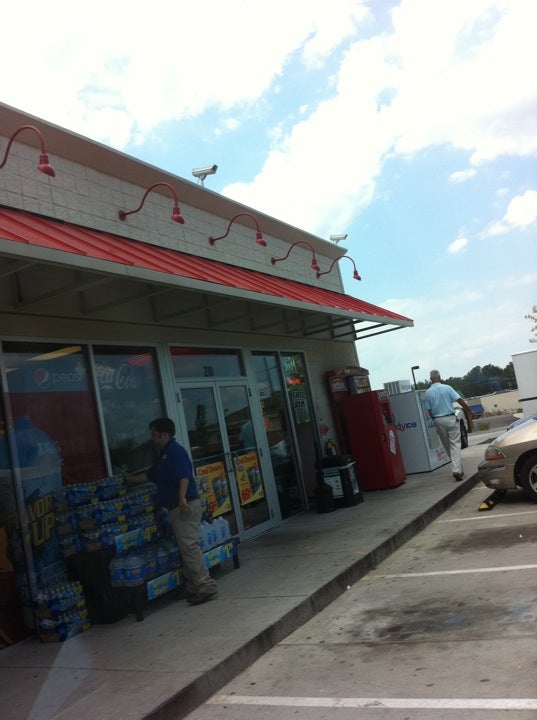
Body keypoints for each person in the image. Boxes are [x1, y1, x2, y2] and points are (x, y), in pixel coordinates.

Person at [131, 417, 217, 605]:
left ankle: (205, 586)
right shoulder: (163, 456)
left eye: (154, 434)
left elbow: (184, 477)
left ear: (164, 435)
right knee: (185, 548)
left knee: (190, 547)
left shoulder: (175, 452)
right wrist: (129, 480)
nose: (152, 438)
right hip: (176, 508)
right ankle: (192, 586)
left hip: (184, 506)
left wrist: (182, 499)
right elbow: (150, 475)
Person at [423, 370, 474, 482]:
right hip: (450, 418)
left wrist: (435, 420)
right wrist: (469, 410)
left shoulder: (428, 393)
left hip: (438, 420)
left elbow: (429, 411)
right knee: (455, 444)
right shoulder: (447, 388)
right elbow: (460, 400)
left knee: (447, 446)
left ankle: (458, 468)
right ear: (440, 377)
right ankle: (457, 470)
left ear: (431, 379)